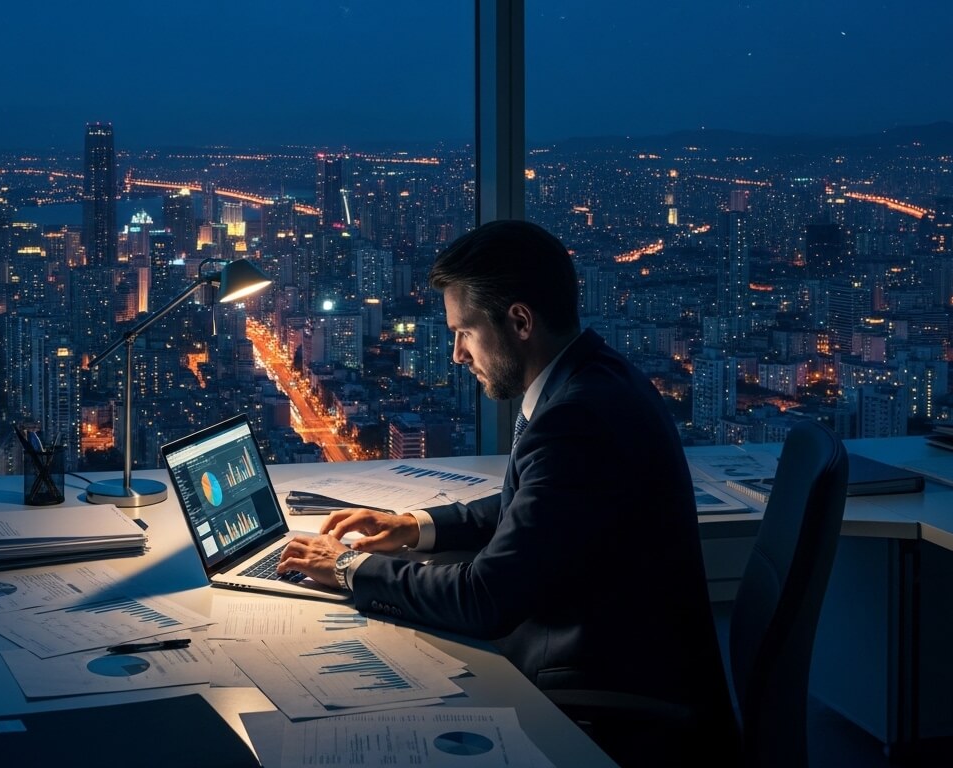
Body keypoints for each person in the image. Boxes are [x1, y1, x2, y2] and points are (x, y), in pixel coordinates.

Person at [279, 219, 738, 764]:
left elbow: (485, 599)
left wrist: (349, 568)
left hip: (606, 702)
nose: (456, 354)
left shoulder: (576, 416)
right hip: (618, 661)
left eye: (465, 332)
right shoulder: (596, 377)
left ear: (519, 321)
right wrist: (415, 527)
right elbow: (532, 506)